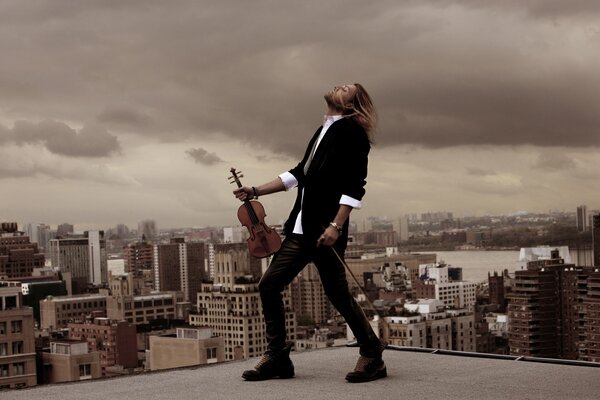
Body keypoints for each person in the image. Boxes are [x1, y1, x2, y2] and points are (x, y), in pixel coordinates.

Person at [233, 83, 385, 383]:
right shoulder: (323, 129)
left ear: (351, 104)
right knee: (270, 285)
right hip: (301, 229)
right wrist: (254, 190)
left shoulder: (352, 132)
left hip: (324, 232)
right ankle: (278, 358)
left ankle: (372, 355)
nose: (338, 85)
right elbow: (299, 173)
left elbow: (355, 186)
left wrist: (336, 226)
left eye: (346, 89)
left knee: (338, 295)